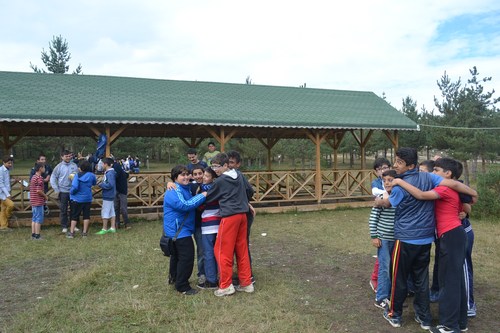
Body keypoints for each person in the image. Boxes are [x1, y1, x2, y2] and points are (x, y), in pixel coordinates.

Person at [375, 147, 477, 330]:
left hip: (405, 239)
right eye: (395, 161)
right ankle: (424, 318)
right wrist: (472, 192)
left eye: (399, 162)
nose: (395, 165)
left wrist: (379, 201)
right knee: (422, 280)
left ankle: (394, 315)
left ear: (411, 165)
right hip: (425, 240)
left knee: (398, 278)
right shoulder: (429, 178)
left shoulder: (399, 184)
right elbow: (453, 184)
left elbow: (389, 203)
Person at [205, 153, 254, 297]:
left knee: (222, 250)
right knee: (242, 249)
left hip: (229, 216)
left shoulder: (220, 181)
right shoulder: (239, 175)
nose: (215, 169)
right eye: (213, 166)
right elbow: (250, 191)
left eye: (217, 166)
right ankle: (246, 283)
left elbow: (209, 197)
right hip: (243, 215)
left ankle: (226, 285)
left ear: (226, 165)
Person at [163, 165, 207, 295]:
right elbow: (184, 205)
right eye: (182, 175)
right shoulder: (174, 191)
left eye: (188, 174)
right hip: (179, 231)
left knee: (176, 257)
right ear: (175, 178)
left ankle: (175, 278)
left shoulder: (185, 188)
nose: (186, 177)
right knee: (186, 258)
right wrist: (203, 195)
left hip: (180, 229)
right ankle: (182, 286)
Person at [227, 150, 256, 285]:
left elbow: (250, 191)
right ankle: (239, 273)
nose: (230, 165)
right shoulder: (225, 176)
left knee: (242, 244)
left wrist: (245, 202)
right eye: (228, 162)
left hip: (243, 214)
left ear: (238, 164)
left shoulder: (239, 176)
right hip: (236, 213)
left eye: (232, 162)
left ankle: (247, 274)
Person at [369, 169, 396, 310]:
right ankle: (381, 298)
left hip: (398, 239)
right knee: (384, 268)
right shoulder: (380, 197)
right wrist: (374, 235)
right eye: (384, 180)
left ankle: (390, 293)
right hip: (384, 239)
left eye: (390, 180)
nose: (387, 183)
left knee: (393, 267)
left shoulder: (400, 197)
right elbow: (373, 218)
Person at [369, 157, 391, 292]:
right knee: (383, 257)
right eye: (379, 169)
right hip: (382, 224)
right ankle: (375, 279)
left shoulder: (395, 181)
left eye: (385, 167)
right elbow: (375, 193)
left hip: (393, 228)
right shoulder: (377, 183)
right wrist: (387, 194)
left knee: (386, 257)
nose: (382, 171)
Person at [198, 167, 221, 289]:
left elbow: (200, 206)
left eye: (207, 176)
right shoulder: (219, 187)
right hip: (219, 223)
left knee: (208, 253)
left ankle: (211, 280)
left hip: (208, 225)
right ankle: (221, 277)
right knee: (219, 252)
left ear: (213, 178)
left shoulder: (204, 190)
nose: (204, 178)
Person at [50, 150, 78, 233]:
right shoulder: (58, 166)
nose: (68, 157)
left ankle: (74, 225)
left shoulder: (74, 165)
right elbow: (53, 177)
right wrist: (56, 189)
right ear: (62, 157)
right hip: (63, 191)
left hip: (73, 191)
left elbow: (77, 176)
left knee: (74, 209)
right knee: (63, 209)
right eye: (66, 156)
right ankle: (64, 226)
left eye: (70, 156)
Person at [67, 160, 97, 238]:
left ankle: (71, 232)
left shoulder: (77, 176)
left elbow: (75, 187)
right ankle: (84, 233)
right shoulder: (92, 175)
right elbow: (94, 183)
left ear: (80, 168)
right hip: (87, 198)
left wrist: (71, 192)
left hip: (77, 199)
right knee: (86, 215)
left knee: (74, 216)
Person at [190, 164, 206, 285]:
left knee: (212, 249)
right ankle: (201, 273)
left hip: (212, 222)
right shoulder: (190, 187)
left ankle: (213, 271)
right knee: (201, 250)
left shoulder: (211, 185)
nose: (198, 176)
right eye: (195, 174)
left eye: (200, 173)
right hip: (197, 223)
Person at [96, 158, 117, 235]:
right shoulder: (109, 172)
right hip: (110, 194)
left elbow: (110, 185)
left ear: (105, 164)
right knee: (112, 211)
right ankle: (112, 227)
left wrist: (101, 184)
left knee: (105, 211)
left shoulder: (110, 173)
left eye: (102, 164)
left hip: (108, 195)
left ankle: (104, 228)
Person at [30, 162, 48, 239]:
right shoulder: (39, 178)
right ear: (40, 168)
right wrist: (45, 196)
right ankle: (37, 235)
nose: (45, 169)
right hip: (38, 202)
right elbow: (38, 190)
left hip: (33, 201)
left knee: (34, 218)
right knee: (39, 219)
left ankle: (33, 234)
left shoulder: (33, 177)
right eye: (44, 167)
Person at [113, 158, 131, 229]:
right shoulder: (116, 169)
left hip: (122, 191)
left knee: (123, 208)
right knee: (116, 208)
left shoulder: (118, 169)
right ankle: (117, 224)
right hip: (116, 191)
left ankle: (126, 223)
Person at [0, 156, 14, 231]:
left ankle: (3, 226)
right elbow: (1, 184)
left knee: (3, 209)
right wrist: (8, 195)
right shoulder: (1, 170)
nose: (10, 164)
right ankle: (8, 215)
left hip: (6, 192)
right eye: (8, 163)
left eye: (11, 163)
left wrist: (13, 180)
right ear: (4, 163)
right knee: (11, 205)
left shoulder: (7, 170)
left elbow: (6, 181)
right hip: (2, 194)